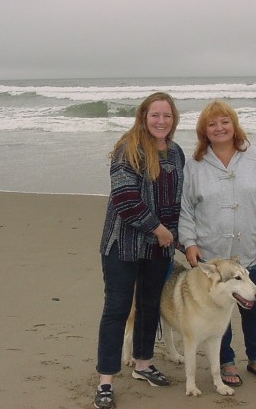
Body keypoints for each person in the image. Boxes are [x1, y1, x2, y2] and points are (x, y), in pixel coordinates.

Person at [178, 100, 256, 387]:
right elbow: (185, 208)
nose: (219, 128)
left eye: (224, 122)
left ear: (234, 125)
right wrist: (188, 242)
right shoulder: (195, 164)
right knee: (217, 310)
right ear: (204, 131)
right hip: (211, 255)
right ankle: (224, 361)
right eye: (211, 124)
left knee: (254, 307)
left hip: (251, 249)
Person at [94, 92, 184, 409]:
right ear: (143, 116)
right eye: (155, 115)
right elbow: (126, 199)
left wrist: (181, 239)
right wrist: (159, 230)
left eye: (167, 116)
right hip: (123, 245)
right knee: (117, 310)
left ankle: (143, 364)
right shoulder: (127, 149)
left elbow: (177, 204)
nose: (161, 121)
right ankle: (105, 380)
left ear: (174, 120)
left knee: (149, 306)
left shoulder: (175, 153)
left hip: (158, 250)